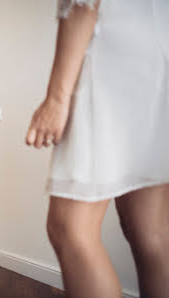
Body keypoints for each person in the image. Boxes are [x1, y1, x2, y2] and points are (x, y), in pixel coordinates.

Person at [25, 0, 169, 297]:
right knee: (150, 231)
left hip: (109, 53)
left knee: (70, 229)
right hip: (156, 51)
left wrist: (56, 97)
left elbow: (82, 4)